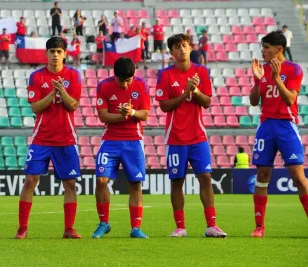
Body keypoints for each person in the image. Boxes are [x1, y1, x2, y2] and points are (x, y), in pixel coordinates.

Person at [155, 34, 227, 238]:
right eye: (177, 47)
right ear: (171, 52)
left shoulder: (201, 71)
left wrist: (194, 91)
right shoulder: (165, 75)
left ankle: (212, 225)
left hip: (198, 136)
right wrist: (185, 93)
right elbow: (164, 106)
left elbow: (207, 102)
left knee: (205, 177)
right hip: (176, 137)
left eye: (185, 46)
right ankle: (180, 227)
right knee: (177, 181)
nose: (182, 50)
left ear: (190, 48)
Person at [15, 36, 82, 239]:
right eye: (52, 51)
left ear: (65, 54)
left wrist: (62, 90)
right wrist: (53, 93)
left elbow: (74, 105)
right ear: (46, 54)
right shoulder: (36, 77)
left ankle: (69, 229)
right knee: (30, 180)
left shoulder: (74, 75)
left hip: (66, 138)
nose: (55, 55)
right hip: (41, 138)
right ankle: (22, 228)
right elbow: (35, 107)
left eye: (59, 51)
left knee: (69, 184)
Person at [249, 30, 308, 237]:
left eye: (266, 47)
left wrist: (276, 78)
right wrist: (258, 80)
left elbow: (290, 99)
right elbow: (254, 102)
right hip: (266, 126)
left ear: (279, 49)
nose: (262, 51)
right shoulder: (262, 70)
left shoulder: (294, 69)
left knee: (298, 177)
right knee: (262, 175)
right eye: (262, 47)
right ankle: (259, 227)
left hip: (286, 125)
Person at [92, 57, 150, 239]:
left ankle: (136, 228)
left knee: (134, 184)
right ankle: (104, 223)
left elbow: (145, 114)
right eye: (121, 80)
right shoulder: (104, 86)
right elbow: (103, 117)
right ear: (114, 75)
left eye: (129, 80)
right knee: (101, 180)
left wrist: (132, 112)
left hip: (134, 140)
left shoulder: (141, 85)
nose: (125, 85)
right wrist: (122, 115)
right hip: (110, 140)